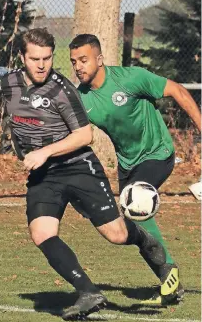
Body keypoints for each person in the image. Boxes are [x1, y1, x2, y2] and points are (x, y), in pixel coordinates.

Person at [0, 28, 171, 320]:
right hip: (44, 176)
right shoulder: (9, 83)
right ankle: (88, 292)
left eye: (48, 58)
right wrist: (23, 148)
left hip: (79, 168)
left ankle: (144, 239)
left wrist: (44, 151)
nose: (42, 65)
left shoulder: (62, 89)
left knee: (116, 234)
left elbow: (84, 135)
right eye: (35, 59)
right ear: (21, 57)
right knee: (41, 233)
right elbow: (17, 120)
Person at [69, 33, 201, 305]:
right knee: (134, 222)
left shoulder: (129, 78)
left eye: (84, 59)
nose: (78, 66)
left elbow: (177, 90)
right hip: (127, 164)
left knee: (137, 200)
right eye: (73, 62)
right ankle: (170, 284)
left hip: (158, 153)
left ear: (100, 59)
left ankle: (170, 274)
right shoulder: (81, 99)